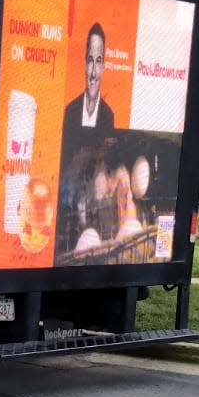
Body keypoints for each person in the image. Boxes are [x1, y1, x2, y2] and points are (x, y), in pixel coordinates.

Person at [59, 22, 120, 256]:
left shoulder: (109, 115)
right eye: (90, 60)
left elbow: (105, 164)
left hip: (93, 199)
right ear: (84, 63)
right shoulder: (70, 110)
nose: (93, 72)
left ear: (104, 65)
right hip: (69, 200)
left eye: (99, 61)